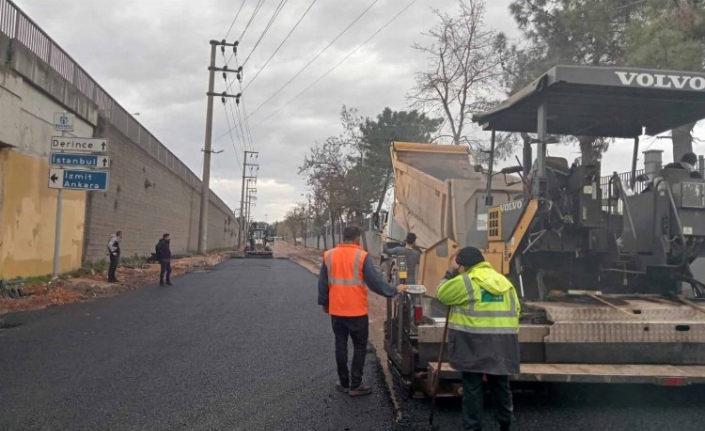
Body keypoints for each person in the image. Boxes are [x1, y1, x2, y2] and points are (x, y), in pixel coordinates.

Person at [436, 247, 520, 431]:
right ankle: (505, 423)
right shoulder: (504, 281)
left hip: (472, 343)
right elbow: (517, 310)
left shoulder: (466, 281)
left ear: (463, 265)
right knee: (500, 385)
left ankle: (473, 427)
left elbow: (441, 293)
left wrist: (451, 271)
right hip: (503, 343)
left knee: (472, 389)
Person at [318, 225, 409, 397]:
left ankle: (344, 383)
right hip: (356, 312)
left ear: (342, 237)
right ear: (358, 238)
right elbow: (375, 282)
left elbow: (323, 283)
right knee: (359, 346)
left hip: (336, 310)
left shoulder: (329, 255)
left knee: (340, 345)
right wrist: (394, 290)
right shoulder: (361, 256)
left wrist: (324, 303)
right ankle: (356, 385)